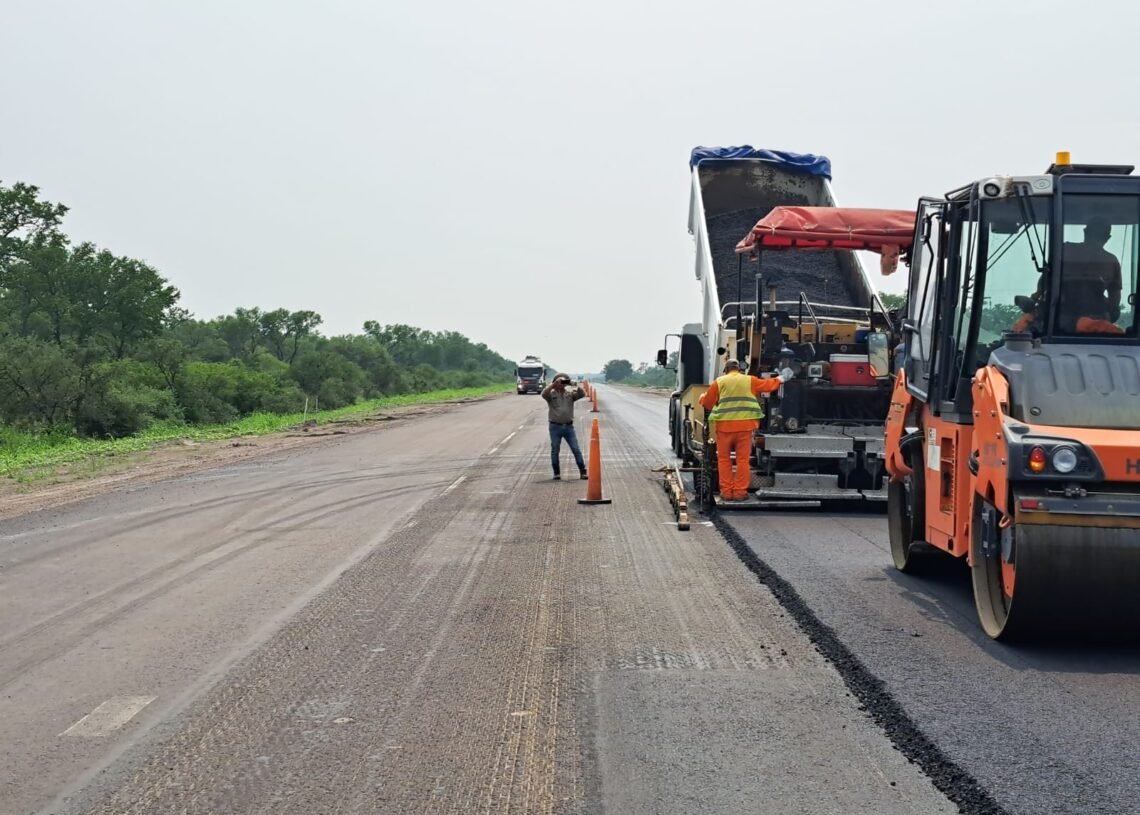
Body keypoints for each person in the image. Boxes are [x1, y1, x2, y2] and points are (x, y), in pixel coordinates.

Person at [699, 359, 792, 502]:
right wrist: (781, 378)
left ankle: (726, 493)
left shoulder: (720, 381)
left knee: (724, 460)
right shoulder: (749, 380)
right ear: (739, 369)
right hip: (745, 428)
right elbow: (768, 386)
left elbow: (707, 403)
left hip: (725, 428)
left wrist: (702, 397)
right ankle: (739, 493)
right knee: (742, 461)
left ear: (726, 369)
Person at [1059, 216, 1123, 332]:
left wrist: (1036, 296)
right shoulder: (1111, 261)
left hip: (1058, 323)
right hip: (1094, 329)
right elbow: (1114, 300)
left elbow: (1045, 281)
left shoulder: (1064, 250)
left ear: (1085, 232)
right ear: (1107, 238)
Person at [542, 373, 587, 480]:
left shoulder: (569, 394)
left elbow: (582, 394)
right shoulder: (551, 395)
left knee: (576, 449)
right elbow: (543, 394)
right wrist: (553, 385)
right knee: (555, 449)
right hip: (555, 427)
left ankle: (583, 471)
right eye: (559, 382)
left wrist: (573, 384)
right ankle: (556, 473)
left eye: (563, 382)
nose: (561, 384)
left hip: (568, 427)